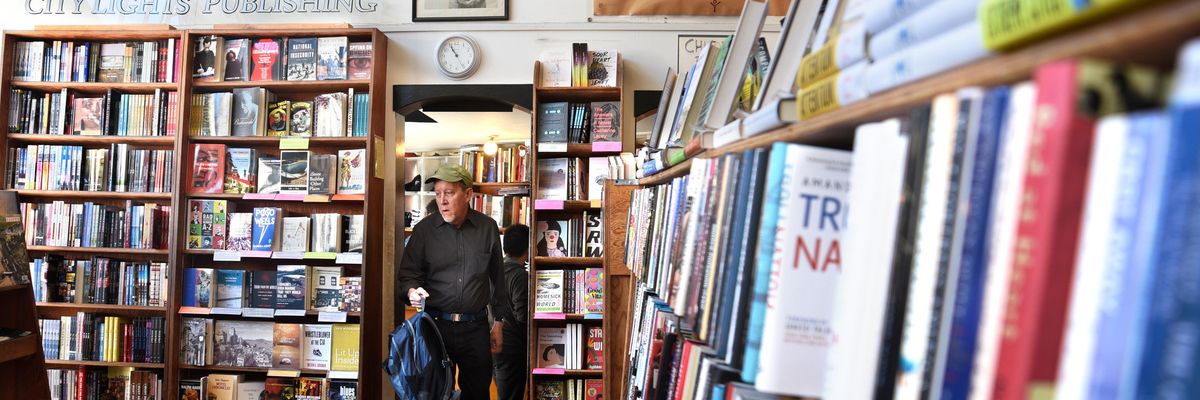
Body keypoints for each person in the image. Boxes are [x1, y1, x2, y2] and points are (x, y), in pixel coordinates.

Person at [398, 163, 510, 399]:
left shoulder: (487, 227)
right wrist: (412, 291)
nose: (442, 201)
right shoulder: (424, 231)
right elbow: (408, 274)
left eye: (449, 193)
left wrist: (498, 323)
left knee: (478, 394)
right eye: (438, 194)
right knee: (435, 393)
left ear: (468, 194)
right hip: (435, 327)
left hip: (476, 328)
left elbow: (498, 278)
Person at [493, 224, 529, 400]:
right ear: (527, 248)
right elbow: (523, 316)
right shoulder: (520, 276)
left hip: (494, 343)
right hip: (512, 347)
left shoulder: (494, 271)